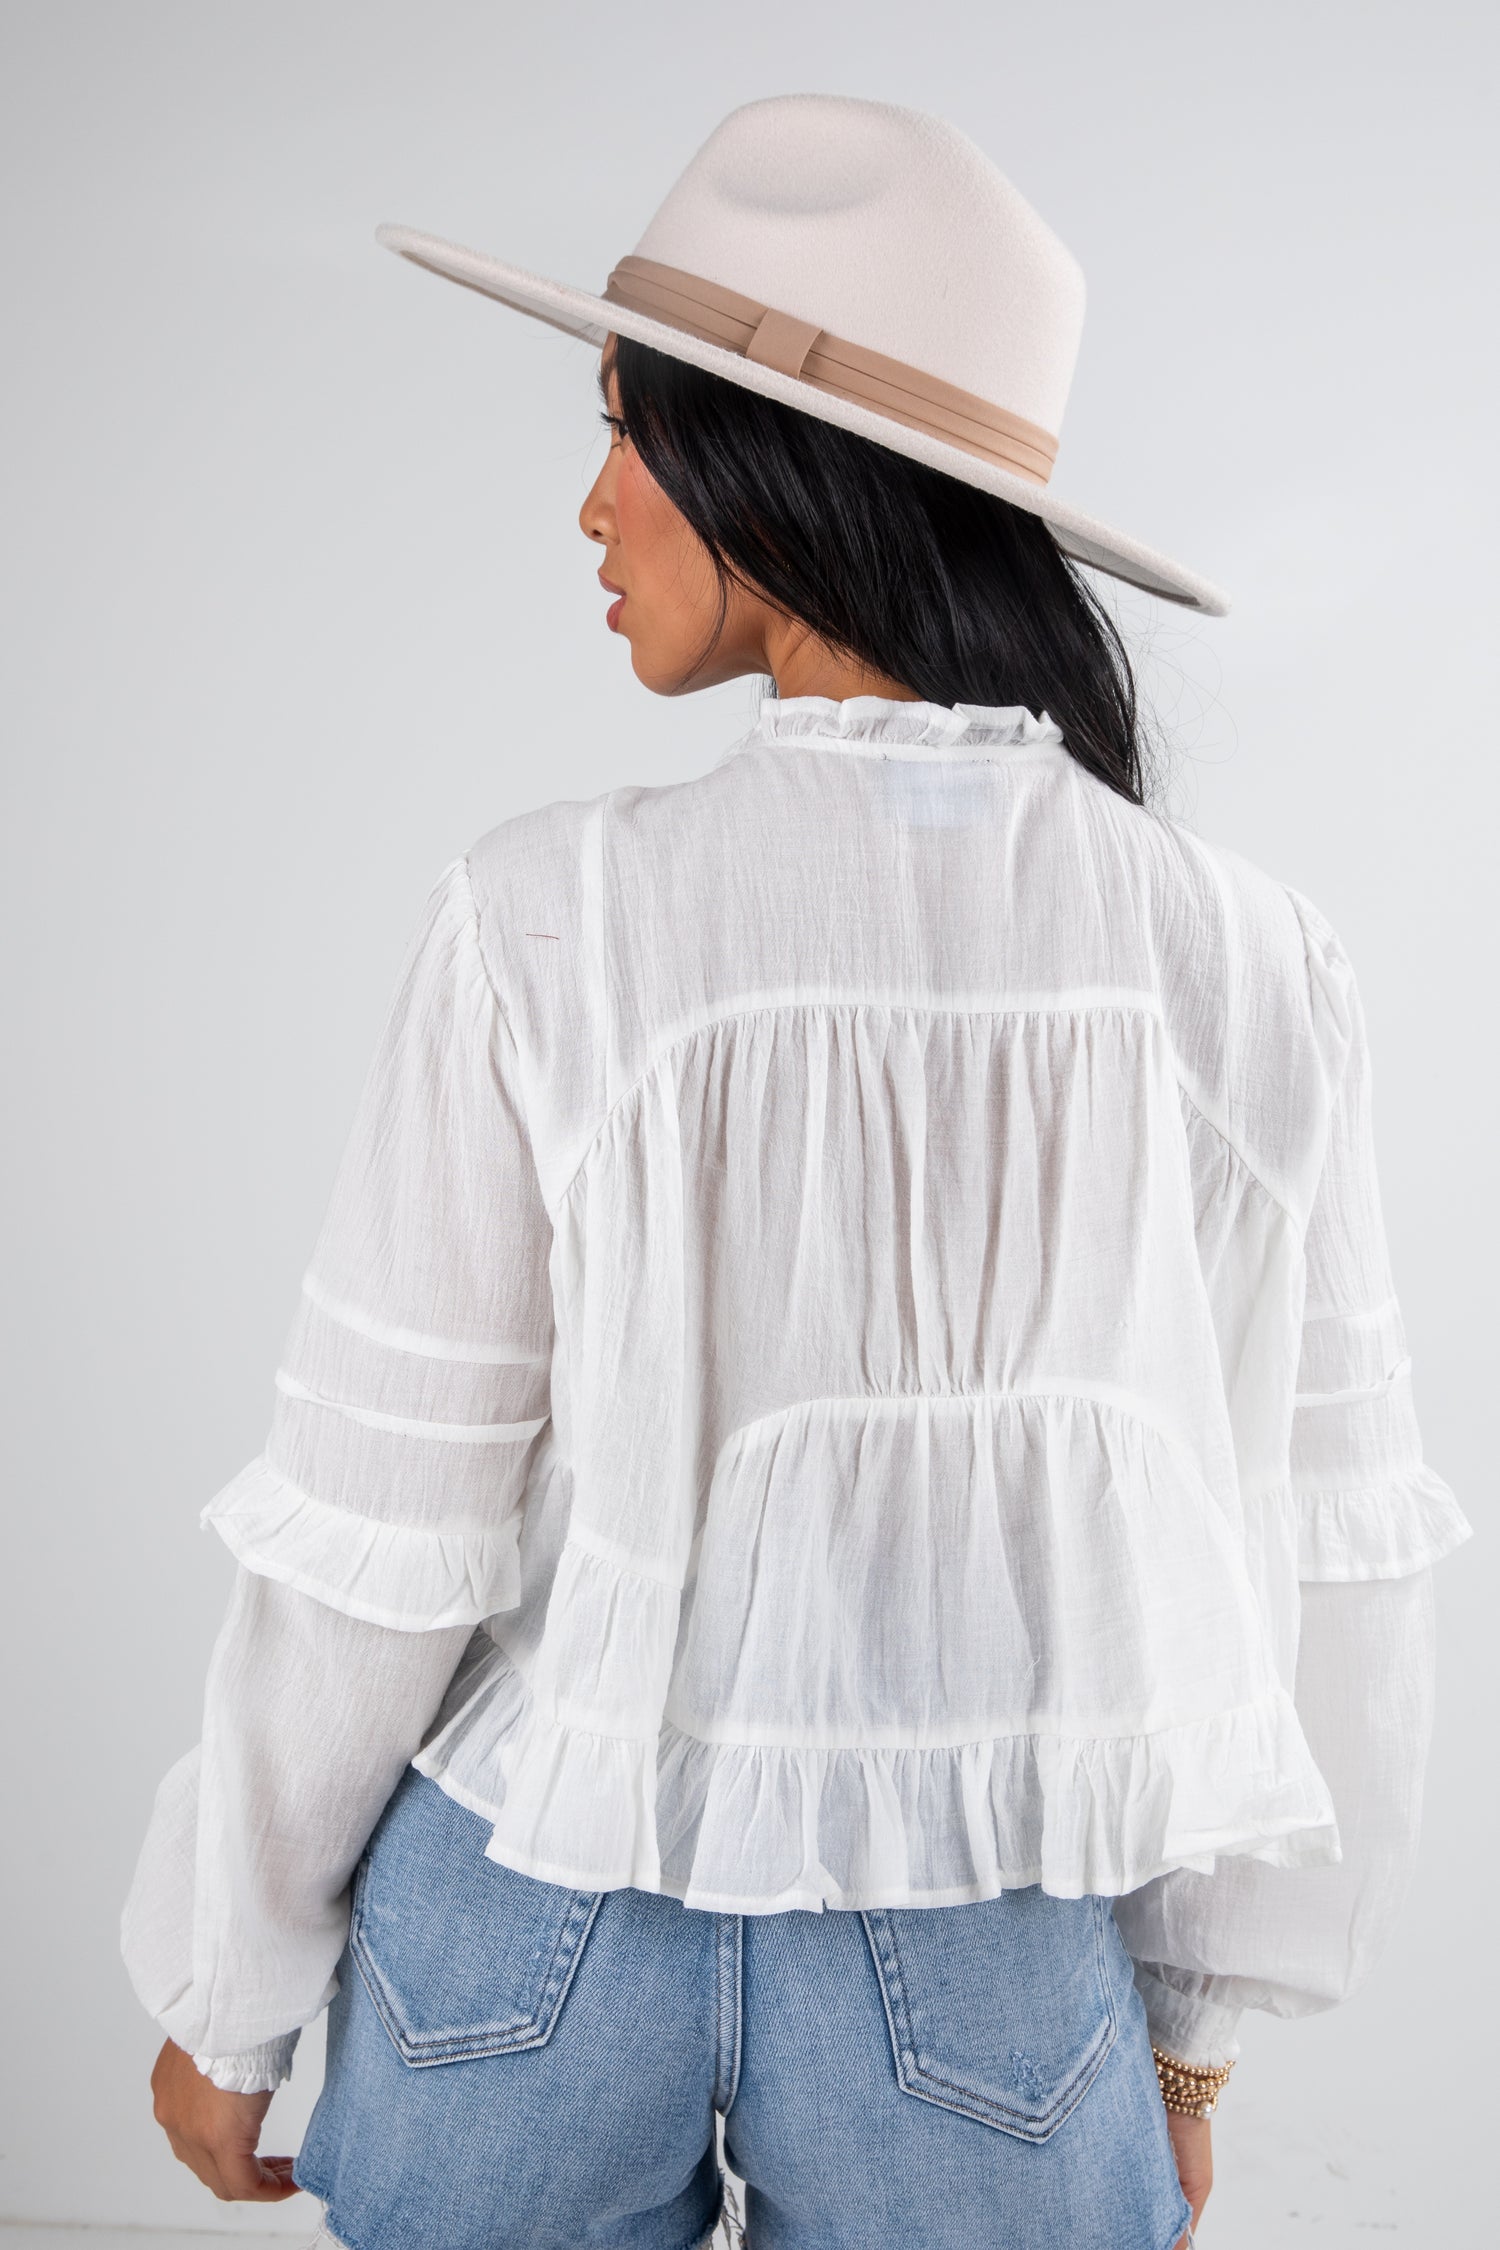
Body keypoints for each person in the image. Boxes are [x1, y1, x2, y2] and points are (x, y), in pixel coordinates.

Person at [123, 95, 1470, 2250]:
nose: (590, 503)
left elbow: (385, 1526)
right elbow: (1311, 1550)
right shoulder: (1243, 961)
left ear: (774, 470)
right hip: (992, 1951)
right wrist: (1193, 2028)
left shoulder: (547, 920)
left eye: (625, 432)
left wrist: (230, 1979)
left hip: (527, 1921)